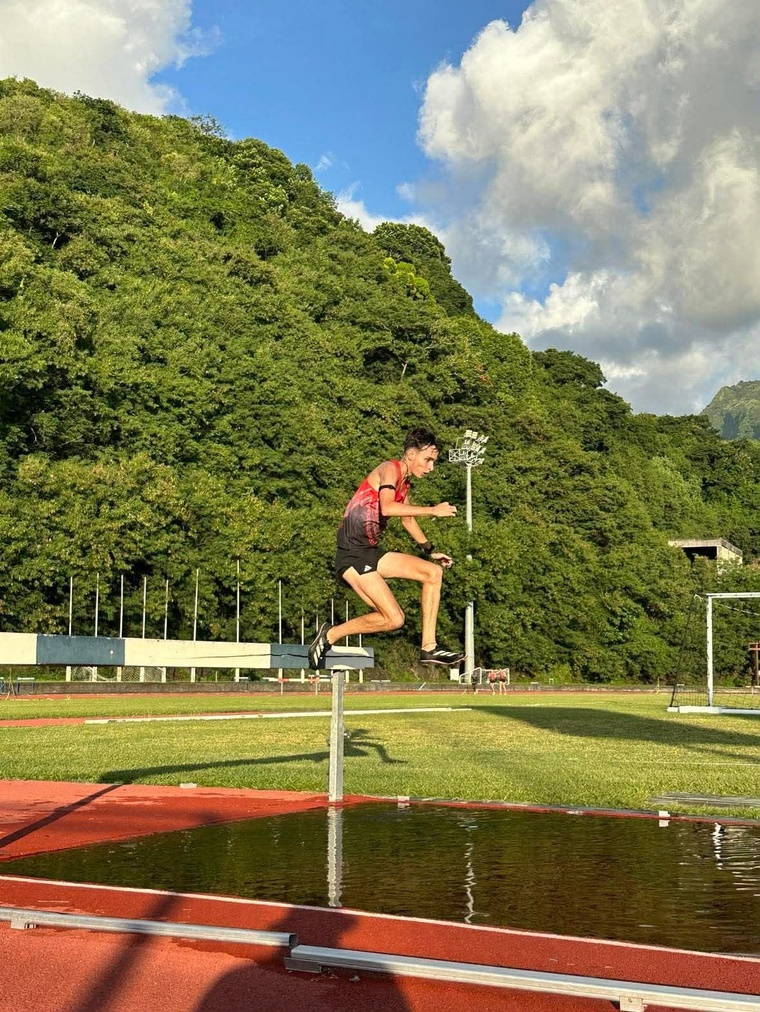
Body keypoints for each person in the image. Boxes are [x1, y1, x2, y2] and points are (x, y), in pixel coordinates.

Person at [308, 427, 464, 669]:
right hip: (351, 554)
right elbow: (388, 508)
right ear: (411, 455)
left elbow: (407, 519)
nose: (431, 467)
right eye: (428, 460)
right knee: (394, 619)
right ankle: (330, 634)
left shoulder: (405, 483)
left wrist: (429, 549)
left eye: (434, 461)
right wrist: (433, 510)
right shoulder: (389, 468)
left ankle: (429, 647)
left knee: (433, 573)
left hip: (370, 551)